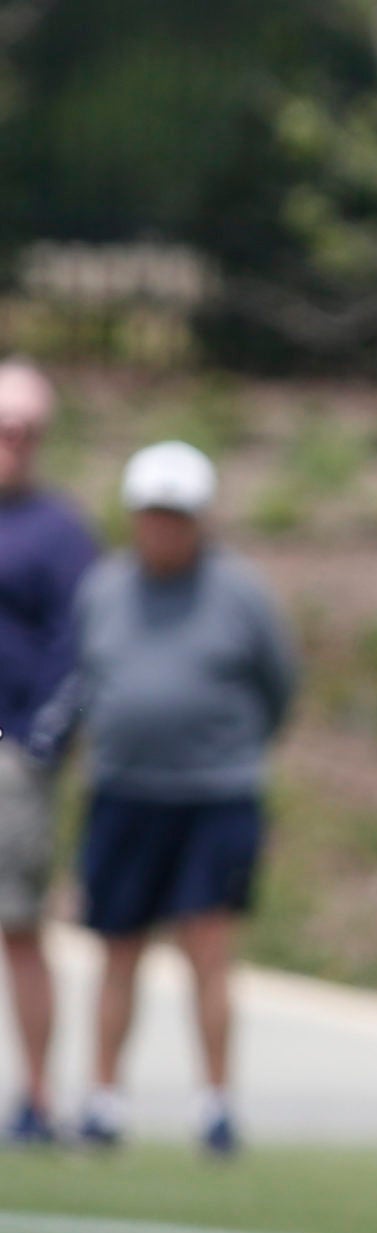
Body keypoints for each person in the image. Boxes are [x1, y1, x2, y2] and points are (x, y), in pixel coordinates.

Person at [30, 441, 297, 1155]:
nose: (164, 529)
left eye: (177, 516)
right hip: (123, 792)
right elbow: (81, 678)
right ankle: (106, 1100)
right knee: (118, 950)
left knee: (208, 949)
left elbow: (280, 688)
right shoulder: (105, 589)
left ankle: (214, 1105)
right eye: (152, 515)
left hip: (215, 795)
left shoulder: (241, 592)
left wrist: (230, 750)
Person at [0, 360, 97, 1146]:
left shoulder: (60, 534)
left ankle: (36, 1096)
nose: (16, 446)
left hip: (11, 757)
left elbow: (80, 647)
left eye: (28, 433)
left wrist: (39, 739)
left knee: (18, 925)